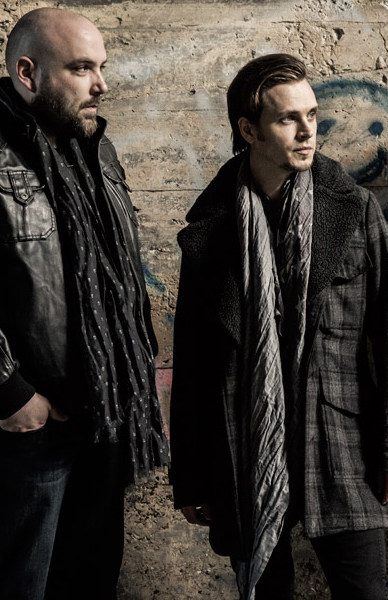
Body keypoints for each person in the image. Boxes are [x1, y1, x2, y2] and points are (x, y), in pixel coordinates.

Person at [170, 53, 388, 600]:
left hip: (340, 439)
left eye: (311, 114)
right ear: (249, 130)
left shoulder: (353, 208)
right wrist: (189, 473)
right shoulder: (212, 228)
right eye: (289, 118)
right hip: (246, 448)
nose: (309, 130)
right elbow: (193, 360)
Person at [0, 8, 169, 600]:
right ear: (28, 73)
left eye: (102, 67)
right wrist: (11, 393)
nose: (101, 84)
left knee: (91, 582)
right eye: (81, 68)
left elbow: (118, 278)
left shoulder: (97, 148)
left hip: (105, 415)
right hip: (28, 432)